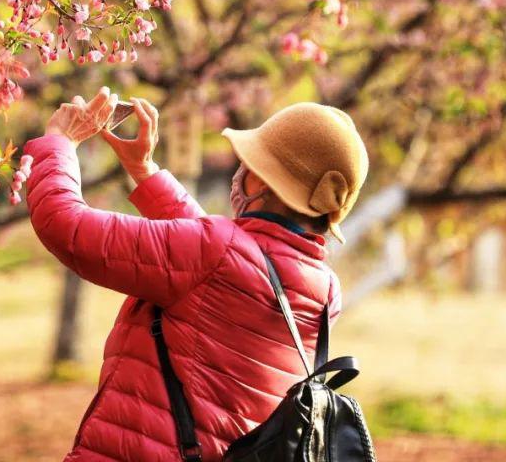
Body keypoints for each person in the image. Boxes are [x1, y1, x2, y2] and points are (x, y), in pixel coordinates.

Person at [23, 87, 369, 462]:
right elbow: (228, 260)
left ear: (261, 182)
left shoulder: (217, 254)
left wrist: (58, 141)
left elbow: (67, 229)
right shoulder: (323, 288)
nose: (240, 174)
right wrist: (145, 172)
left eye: (248, 165)